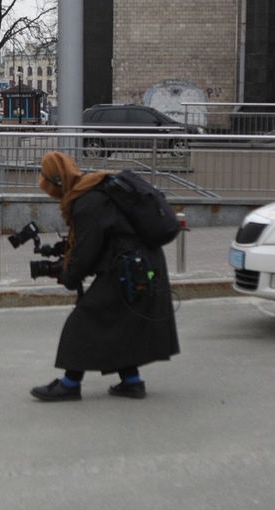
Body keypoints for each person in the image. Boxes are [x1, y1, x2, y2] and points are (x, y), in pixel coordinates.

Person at [30, 151, 179, 402]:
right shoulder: (92, 188)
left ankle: (69, 384)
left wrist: (69, 276)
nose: (50, 194)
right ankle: (131, 381)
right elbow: (100, 240)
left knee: (83, 320)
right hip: (139, 263)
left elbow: (86, 251)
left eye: (48, 186)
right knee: (118, 322)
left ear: (57, 181)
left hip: (129, 267)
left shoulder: (87, 202)